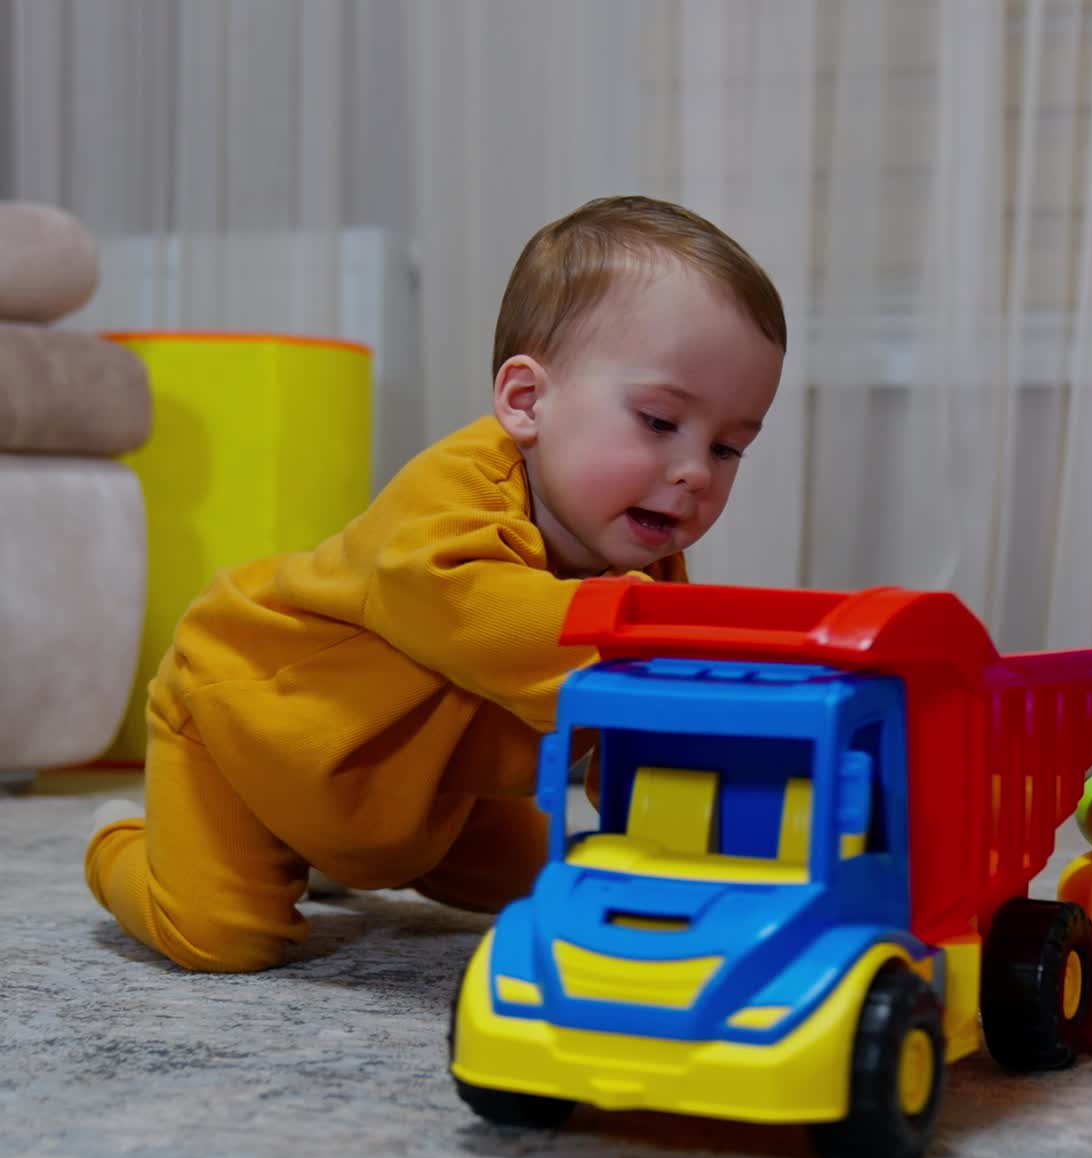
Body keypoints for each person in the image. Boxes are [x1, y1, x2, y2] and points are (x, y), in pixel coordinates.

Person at [84, 195, 787, 972]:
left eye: (727, 448)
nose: (694, 471)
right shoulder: (446, 505)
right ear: (527, 402)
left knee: (566, 878)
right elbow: (497, 623)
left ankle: (323, 854)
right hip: (247, 735)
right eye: (659, 422)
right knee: (223, 937)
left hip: (423, 795)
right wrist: (689, 653)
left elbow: (648, 720)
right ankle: (123, 841)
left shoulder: (644, 565)